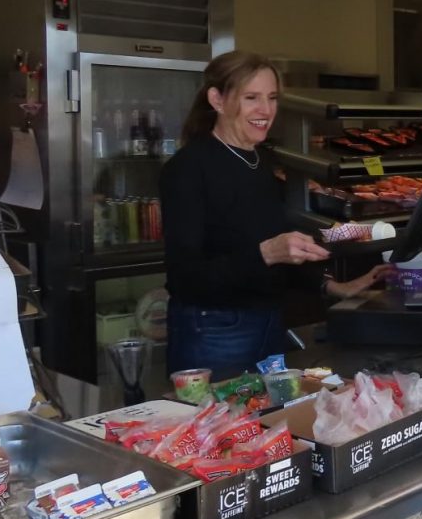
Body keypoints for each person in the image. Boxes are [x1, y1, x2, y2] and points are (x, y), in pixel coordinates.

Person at [161, 50, 387, 378]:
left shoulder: (260, 163)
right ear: (217, 100)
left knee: (265, 423)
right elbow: (186, 279)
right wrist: (265, 253)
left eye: (272, 98)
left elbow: (279, 249)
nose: (265, 111)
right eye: (251, 97)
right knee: (220, 428)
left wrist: (330, 285)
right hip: (213, 331)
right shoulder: (187, 170)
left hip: (267, 320)